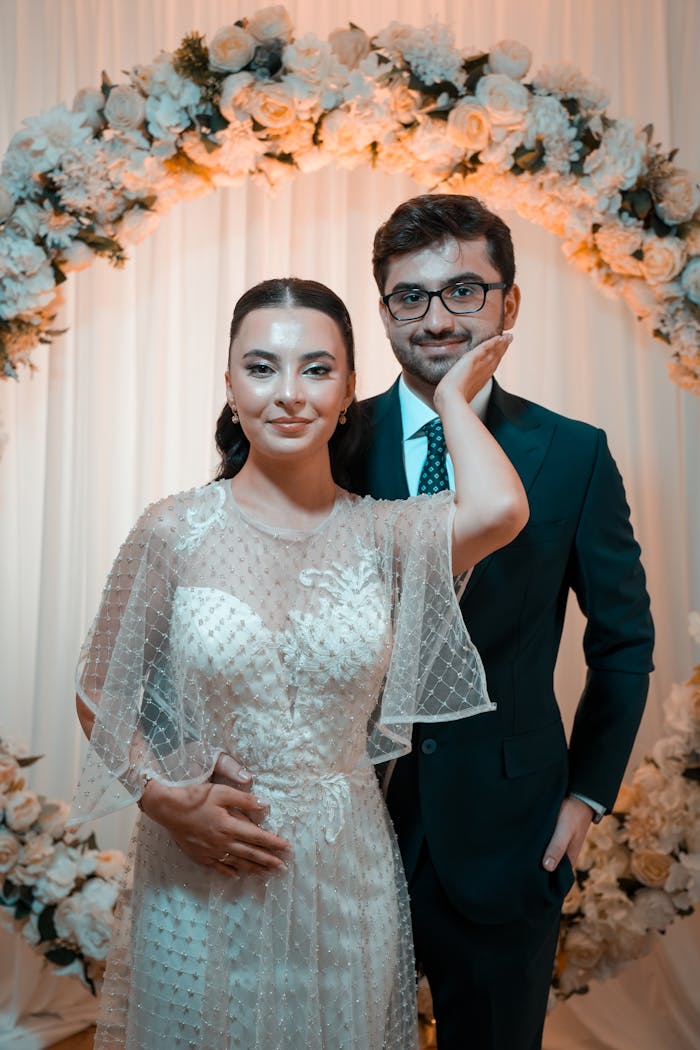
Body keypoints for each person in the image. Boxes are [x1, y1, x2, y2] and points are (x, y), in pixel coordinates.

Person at [70, 276, 528, 1050]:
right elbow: (97, 692)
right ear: (228, 383)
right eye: (261, 367)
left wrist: (451, 399)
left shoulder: (386, 536)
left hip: (342, 873)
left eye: (317, 369)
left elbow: (500, 511)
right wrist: (162, 800)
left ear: (350, 390)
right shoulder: (173, 530)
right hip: (199, 872)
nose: (288, 394)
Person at [349, 194, 655, 1049]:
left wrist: (586, 797)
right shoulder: (329, 440)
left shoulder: (573, 453)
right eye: (410, 296)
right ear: (382, 311)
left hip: (512, 831)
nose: (436, 316)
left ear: (508, 304)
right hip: (346, 831)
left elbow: (623, 642)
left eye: (464, 291)